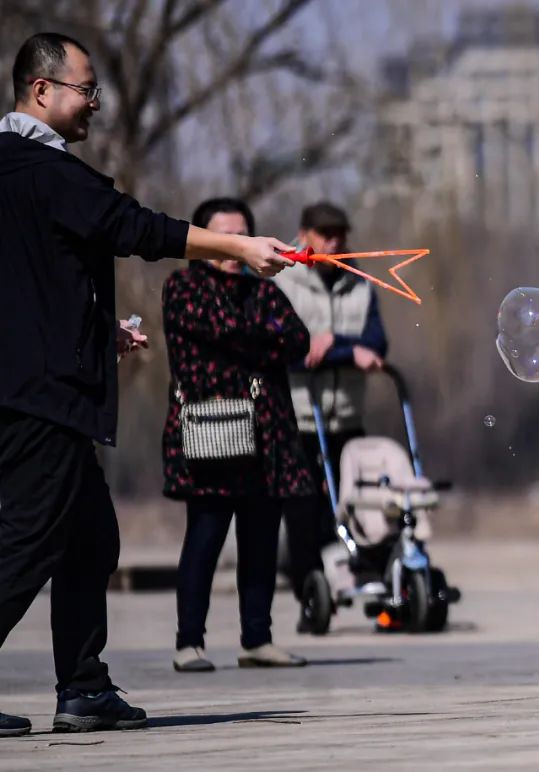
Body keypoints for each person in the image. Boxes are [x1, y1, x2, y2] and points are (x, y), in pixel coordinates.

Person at [0, 32, 292, 736]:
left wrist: (100, 335)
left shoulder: (14, 177)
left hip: (33, 385)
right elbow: (137, 228)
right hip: (44, 399)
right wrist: (240, 246)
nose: (96, 103)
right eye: (85, 89)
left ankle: (84, 687)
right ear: (41, 91)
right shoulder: (42, 172)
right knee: (28, 541)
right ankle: (83, 684)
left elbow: (30, 295)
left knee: (89, 539)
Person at [162, 198, 313, 672]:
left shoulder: (264, 292)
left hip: (268, 438)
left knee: (262, 539)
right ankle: (190, 641)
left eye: (243, 236)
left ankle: (257, 637)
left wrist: (253, 336)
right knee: (205, 536)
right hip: (213, 435)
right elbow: (219, 331)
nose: (236, 248)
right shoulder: (183, 285)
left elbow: (297, 340)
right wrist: (258, 336)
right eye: (226, 237)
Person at [273, 202, 389, 630]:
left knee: (361, 505)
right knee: (304, 512)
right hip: (300, 417)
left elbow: (375, 344)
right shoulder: (283, 276)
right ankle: (311, 596)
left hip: (346, 417)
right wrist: (336, 350)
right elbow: (283, 345)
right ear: (304, 235)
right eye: (325, 233)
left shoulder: (360, 280)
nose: (334, 240)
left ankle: (370, 581)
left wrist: (334, 344)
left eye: (340, 232)